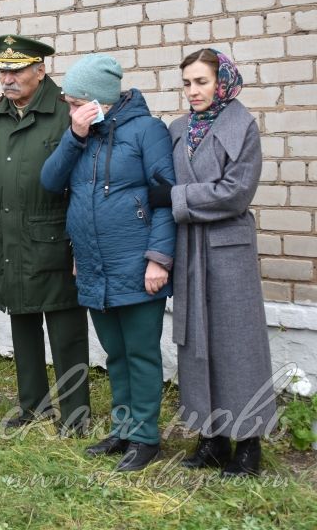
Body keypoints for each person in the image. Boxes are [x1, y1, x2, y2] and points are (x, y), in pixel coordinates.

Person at [40, 54, 176, 472]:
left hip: (137, 265)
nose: (68, 106)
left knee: (140, 354)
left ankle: (146, 437)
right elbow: (50, 181)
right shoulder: (83, 135)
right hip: (94, 266)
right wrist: (74, 137)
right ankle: (123, 428)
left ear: (97, 100)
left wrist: (159, 259)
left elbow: (166, 198)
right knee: (115, 354)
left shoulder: (147, 131)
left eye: (74, 100)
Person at [148, 49, 276, 477]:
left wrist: (177, 198)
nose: (193, 91)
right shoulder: (178, 128)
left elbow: (236, 192)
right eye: (186, 83)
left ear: (221, 81)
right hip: (189, 246)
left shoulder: (242, 126)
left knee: (238, 344)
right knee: (195, 342)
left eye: (201, 82)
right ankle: (212, 438)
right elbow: (163, 182)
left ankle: (248, 444)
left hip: (228, 249)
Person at [0, 34, 91, 434]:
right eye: (3, 71)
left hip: (56, 237)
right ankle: (33, 405)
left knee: (66, 330)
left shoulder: (65, 113)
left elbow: (82, 183)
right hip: (7, 238)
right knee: (21, 322)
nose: (7, 79)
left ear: (40, 71)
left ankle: (75, 414)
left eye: (17, 70)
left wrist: (83, 245)